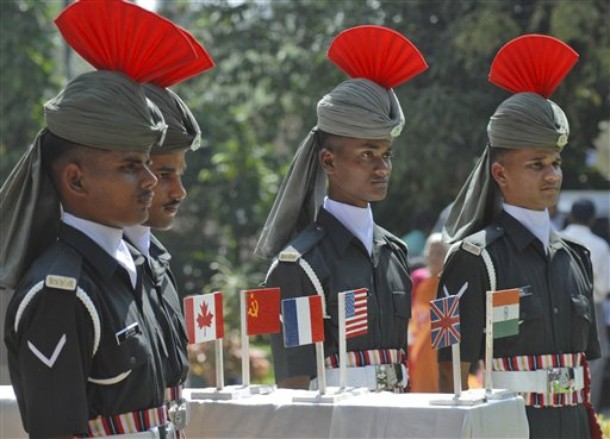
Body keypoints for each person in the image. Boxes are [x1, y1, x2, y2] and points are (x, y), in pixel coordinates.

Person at [0, 1, 211, 436]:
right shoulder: (61, 293)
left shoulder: (133, 268)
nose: (150, 180)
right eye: (131, 166)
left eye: (148, 163)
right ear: (75, 180)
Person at [438, 34, 601, 438]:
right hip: (510, 428)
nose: (552, 174)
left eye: (555, 162)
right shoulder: (474, 257)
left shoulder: (576, 257)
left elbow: (583, 367)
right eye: (536, 164)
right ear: (500, 173)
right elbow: (450, 369)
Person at [255, 25, 427, 391]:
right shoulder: (299, 266)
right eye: (367, 154)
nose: (382, 168)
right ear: (329, 161)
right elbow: (294, 387)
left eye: (387, 155)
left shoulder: (394, 253)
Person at [123, 83, 206, 431]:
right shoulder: (95, 273)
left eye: (180, 174)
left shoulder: (158, 262)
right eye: (164, 174)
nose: (179, 191)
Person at [562, 198, 610, 411]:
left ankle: (566, 405)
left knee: (564, 355)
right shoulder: (600, 245)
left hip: (559, 306)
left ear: (570, 216)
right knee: (596, 358)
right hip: (592, 306)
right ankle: (589, 410)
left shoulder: (555, 238)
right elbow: (605, 286)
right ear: (592, 219)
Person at [407, 233, 448, 392]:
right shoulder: (417, 278)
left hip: (439, 343)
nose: (435, 257)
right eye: (432, 252)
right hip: (417, 339)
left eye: (440, 253)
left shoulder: (449, 281)